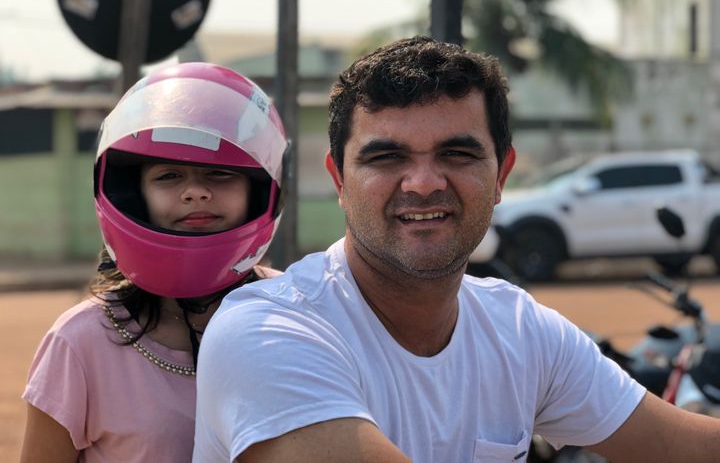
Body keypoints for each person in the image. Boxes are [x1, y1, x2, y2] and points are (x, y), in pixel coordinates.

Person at [193, 36, 720, 463]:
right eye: (387, 158)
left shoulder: (520, 331)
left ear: (501, 175)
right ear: (339, 179)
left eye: (458, 153)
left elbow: (682, 445)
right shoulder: (267, 331)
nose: (423, 183)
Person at [20, 62, 287, 463]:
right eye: (168, 176)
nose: (195, 192)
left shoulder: (292, 315)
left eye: (219, 174)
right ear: (134, 194)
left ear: (261, 189)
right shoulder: (81, 341)